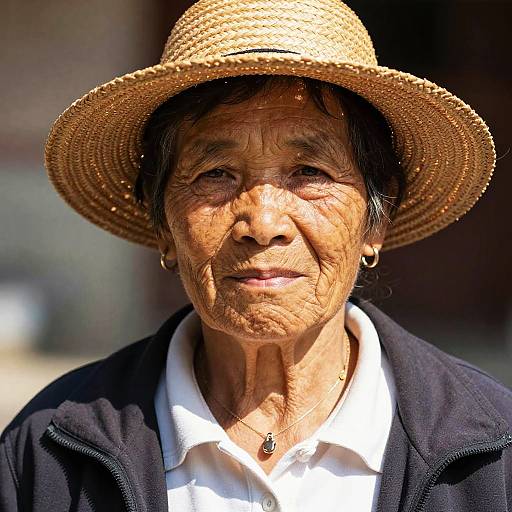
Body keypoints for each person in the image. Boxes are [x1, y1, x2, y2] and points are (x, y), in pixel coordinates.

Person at [1, 0, 511, 511]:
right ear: (163, 228)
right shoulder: (48, 452)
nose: (263, 224)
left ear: (374, 222)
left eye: (310, 173)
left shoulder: (492, 453)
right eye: (216, 174)